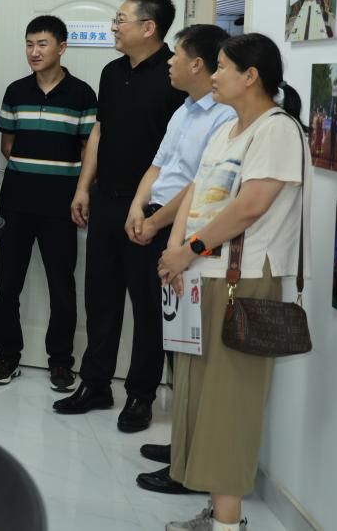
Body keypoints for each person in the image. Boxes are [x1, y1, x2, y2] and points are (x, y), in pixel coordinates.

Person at [156, 33, 310, 531]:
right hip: (204, 275)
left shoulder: (277, 130)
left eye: (222, 66)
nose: (214, 74)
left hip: (242, 283)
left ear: (251, 76)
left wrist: (189, 250)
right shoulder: (227, 130)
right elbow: (197, 189)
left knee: (229, 405)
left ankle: (227, 524)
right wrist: (174, 250)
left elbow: (250, 206)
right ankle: (218, 513)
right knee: (200, 400)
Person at [54, 0, 186, 432]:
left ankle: (140, 395)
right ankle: (95, 384)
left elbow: (177, 156)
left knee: (147, 306)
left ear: (149, 27)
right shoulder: (111, 72)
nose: (113, 27)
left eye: (120, 20)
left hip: (150, 210)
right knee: (101, 297)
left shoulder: (174, 76)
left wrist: (148, 210)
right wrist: (83, 187)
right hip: (107, 201)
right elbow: (100, 132)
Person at [124, 25, 236, 495]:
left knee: (188, 346)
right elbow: (159, 165)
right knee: (158, 327)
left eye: (177, 55)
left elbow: (198, 186)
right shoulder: (184, 110)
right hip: (155, 224)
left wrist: (157, 224)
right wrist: (137, 207)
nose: (168, 61)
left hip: (183, 236)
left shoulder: (224, 117)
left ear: (198, 64)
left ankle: (191, 459)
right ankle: (180, 445)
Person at [0, 15, 97, 391]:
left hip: (60, 203)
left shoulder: (82, 94)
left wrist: (77, 187)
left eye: (42, 44)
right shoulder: (16, 91)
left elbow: (89, 150)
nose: (34, 52)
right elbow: (7, 145)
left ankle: (61, 362)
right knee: (8, 283)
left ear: (61, 47)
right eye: (29, 44)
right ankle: (7, 356)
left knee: (62, 286)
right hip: (16, 200)